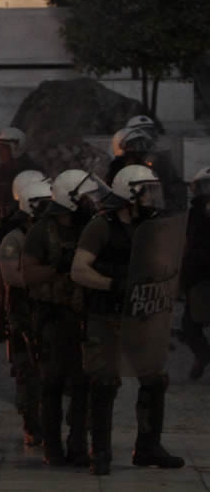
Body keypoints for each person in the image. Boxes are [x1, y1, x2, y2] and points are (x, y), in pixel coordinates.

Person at [72, 165, 185, 475]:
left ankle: (148, 447)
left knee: (154, 379)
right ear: (129, 194)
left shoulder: (152, 226)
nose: (152, 197)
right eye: (147, 191)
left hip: (142, 315)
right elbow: (79, 270)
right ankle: (101, 452)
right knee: (104, 382)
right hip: (107, 314)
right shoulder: (101, 227)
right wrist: (113, 284)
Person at [21, 169, 105, 466]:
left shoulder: (90, 228)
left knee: (83, 384)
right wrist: (58, 267)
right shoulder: (42, 231)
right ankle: (52, 446)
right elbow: (28, 274)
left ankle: (78, 445)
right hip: (54, 317)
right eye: (85, 197)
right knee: (52, 383)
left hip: (83, 315)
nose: (90, 203)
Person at [0, 174, 51, 447]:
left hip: (49, 310)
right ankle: (32, 424)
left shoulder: (51, 236)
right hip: (23, 313)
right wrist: (50, 276)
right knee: (28, 371)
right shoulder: (14, 239)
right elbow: (13, 276)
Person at [0, 130, 42, 343]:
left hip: (27, 225)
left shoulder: (33, 170)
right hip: (5, 224)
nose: (0, 152)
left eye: (4, 148)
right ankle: (0, 320)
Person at [180, 166, 210, 380]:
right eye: (205, 187)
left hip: (200, 272)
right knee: (190, 323)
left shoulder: (196, 213)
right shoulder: (194, 214)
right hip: (197, 274)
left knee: (191, 323)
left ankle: (203, 356)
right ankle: (203, 355)